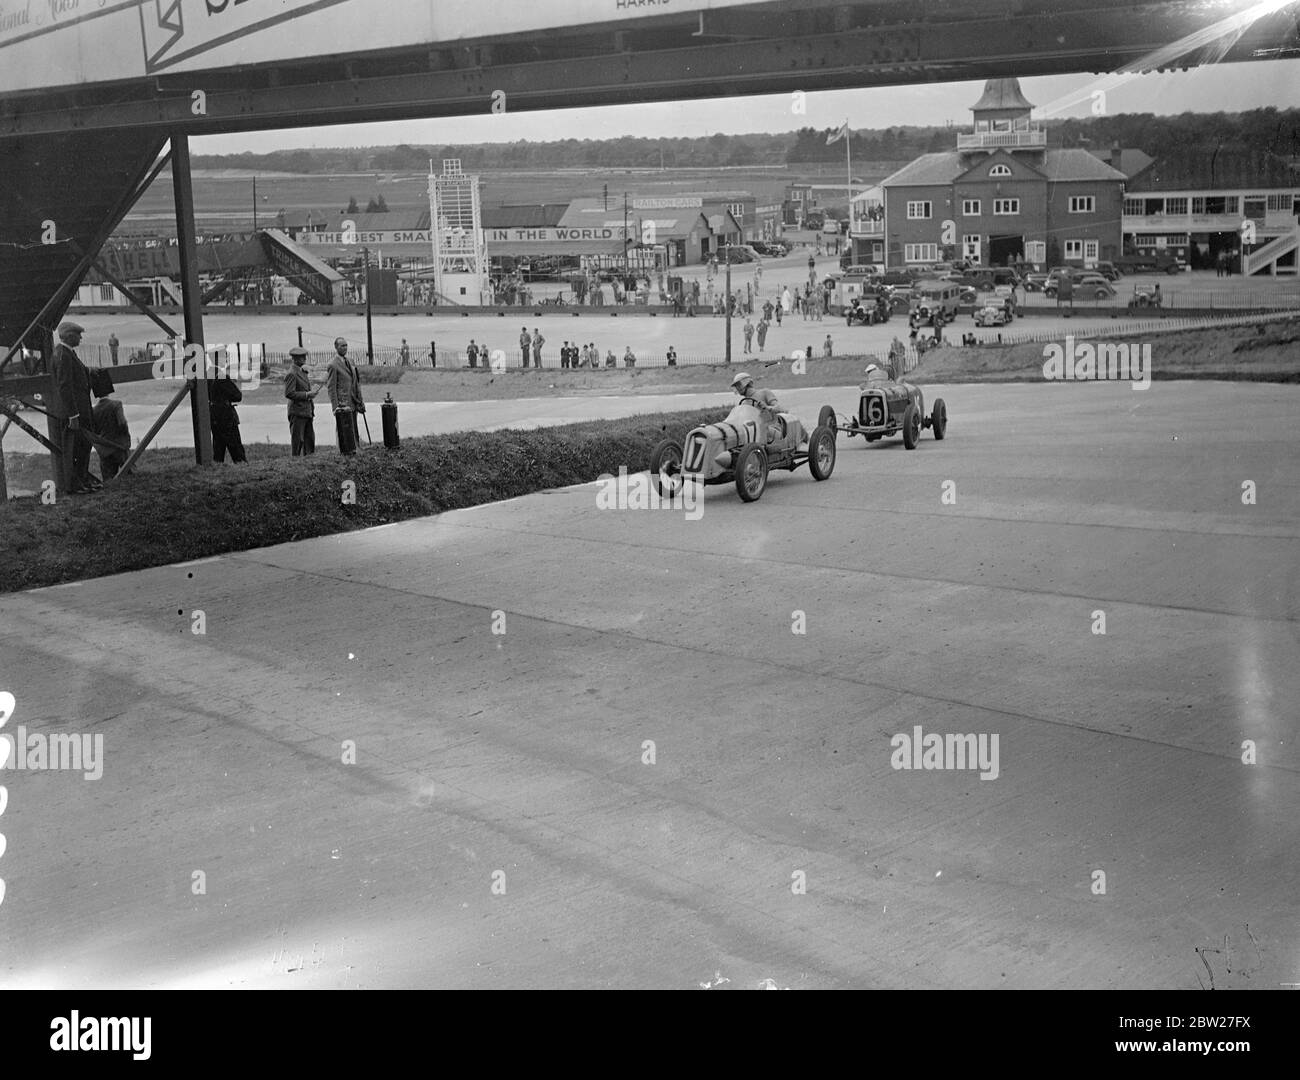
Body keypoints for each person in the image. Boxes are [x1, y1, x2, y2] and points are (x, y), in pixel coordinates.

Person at [51, 322, 98, 493]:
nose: (81, 338)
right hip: (75, 413)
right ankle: (75, 485)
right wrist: (73, 416)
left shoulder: (67, 353)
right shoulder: (63, 355)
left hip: (79, 411)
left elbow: (76, 375)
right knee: (76, 450)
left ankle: (83, 481)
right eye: (78, 335)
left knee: (83, 447)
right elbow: (64, 386)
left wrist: (88, 371)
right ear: (69, 336)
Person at [326, 337, 364, 454]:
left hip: (353, 400)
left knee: (354, 426)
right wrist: (335, 406)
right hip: (342, 403)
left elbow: (356, 382)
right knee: (342, 427)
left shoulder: (350, 361)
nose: (345, 348)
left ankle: (355, 447)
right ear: (336, 347)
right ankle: (342, 450)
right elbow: (331, 387)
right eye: (342, 346)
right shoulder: (333, 364)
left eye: (346, 345)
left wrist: (360, 400)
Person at [90, 374, 130, 481]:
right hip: (119, 447)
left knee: (108, 480)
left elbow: (95, 431)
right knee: (130, 476)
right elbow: (122, 423)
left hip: (104, 449)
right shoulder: (116, 405)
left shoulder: (94, 411)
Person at [284, 346, 319, 456]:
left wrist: (310, 393)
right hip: (297, 412)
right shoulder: (292, 373)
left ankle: (309, 464)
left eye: (304, 356)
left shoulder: (302, 371)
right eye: (301, 357)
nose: (304, 358)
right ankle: (296, 466)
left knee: (309, 441)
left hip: (306, 411)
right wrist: (307, 394)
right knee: (298, 442)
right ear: (294, 359)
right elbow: (289, 393)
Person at [209, 371, 247, 463]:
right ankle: (241, 466)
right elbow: (237, 396)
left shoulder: (207, 375)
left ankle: (218, 468)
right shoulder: (222, 377)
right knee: (236, 449)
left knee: (218, 448)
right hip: (226, 416)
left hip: (214, 415)